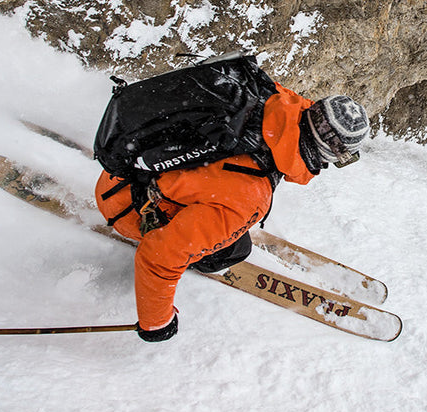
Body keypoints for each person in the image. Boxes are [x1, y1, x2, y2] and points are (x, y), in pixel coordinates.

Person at [94, 84, 370, 342]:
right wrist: (157, 323)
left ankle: (201, 214)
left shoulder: (271, 96)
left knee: (220, 211)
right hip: (127, 209)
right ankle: (203, 237)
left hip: (123, 171)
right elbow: (158, 258)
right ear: (326, 153)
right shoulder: (248, 198)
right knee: (236, 249)